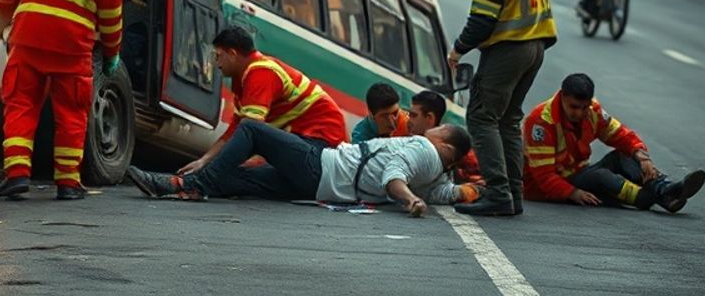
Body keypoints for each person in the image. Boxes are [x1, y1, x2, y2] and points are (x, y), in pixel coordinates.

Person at [0, 0, 124, 201]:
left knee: (21, 103)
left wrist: (2, 17)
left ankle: (17, 174)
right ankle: (67, 182)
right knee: (72, 112)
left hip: (30, 36)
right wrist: (111, 54)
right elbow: (111, 16)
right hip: (72, 46)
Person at [126, 118, 475, 214]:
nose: (427, 129)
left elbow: (392, 177)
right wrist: (473, 191)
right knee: (241, 180)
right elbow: (444, 194)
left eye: (438, 129)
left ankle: (193, 185)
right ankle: (169, 185)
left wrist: (408, 199)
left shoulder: (423, 150)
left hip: (322, 167)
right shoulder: (437, 174)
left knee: (251, 130)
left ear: (445, 145)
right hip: (320, 188)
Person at [448, 0, 556, 217]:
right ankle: (513, 194)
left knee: (481, 118)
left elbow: (481, 21)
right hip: (535, 47)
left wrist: (457, 50)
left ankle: (497, 192)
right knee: (508, 120)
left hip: (509, 49)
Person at [176, 27, 349, 179]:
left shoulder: (261, 72)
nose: (217, 63)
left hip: (321, 147)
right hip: (307, 146)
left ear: (232, 54)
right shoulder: (244, 80)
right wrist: (203, 161)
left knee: (241, 160)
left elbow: (250, 130)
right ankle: (203, 180)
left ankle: (198, 183)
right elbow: (235, 131)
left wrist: (212, 169)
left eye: (219, 56)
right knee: (237, 175)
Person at [524, 74, 705, 213]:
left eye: (584, 107)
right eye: (573, 107)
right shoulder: (541, 122)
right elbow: (544, 177)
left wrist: (642, 156)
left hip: (578, 172)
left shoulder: (593, 111)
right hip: (549, 187)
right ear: (562, 97)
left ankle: (664, 189)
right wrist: (573, 193)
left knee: (625, 154)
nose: (579, 113)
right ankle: (648, 197)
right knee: (601, 177)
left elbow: (620, 135)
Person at [406, 90, 482, 188]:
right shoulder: (405, 137)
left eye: (413, 116)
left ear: (429, 117)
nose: (409, 120)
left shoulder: (454, 145)